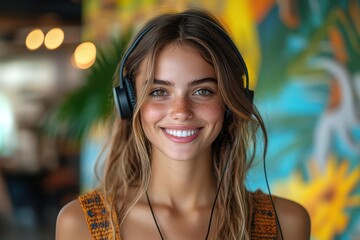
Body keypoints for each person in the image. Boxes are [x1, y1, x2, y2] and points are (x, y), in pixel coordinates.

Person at [56, 8, 311, 240]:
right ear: (131, 103)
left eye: (202, 91)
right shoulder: (79, 225)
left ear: (231, 102)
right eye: (158, 92)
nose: (181, 112)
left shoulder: (286, 223)